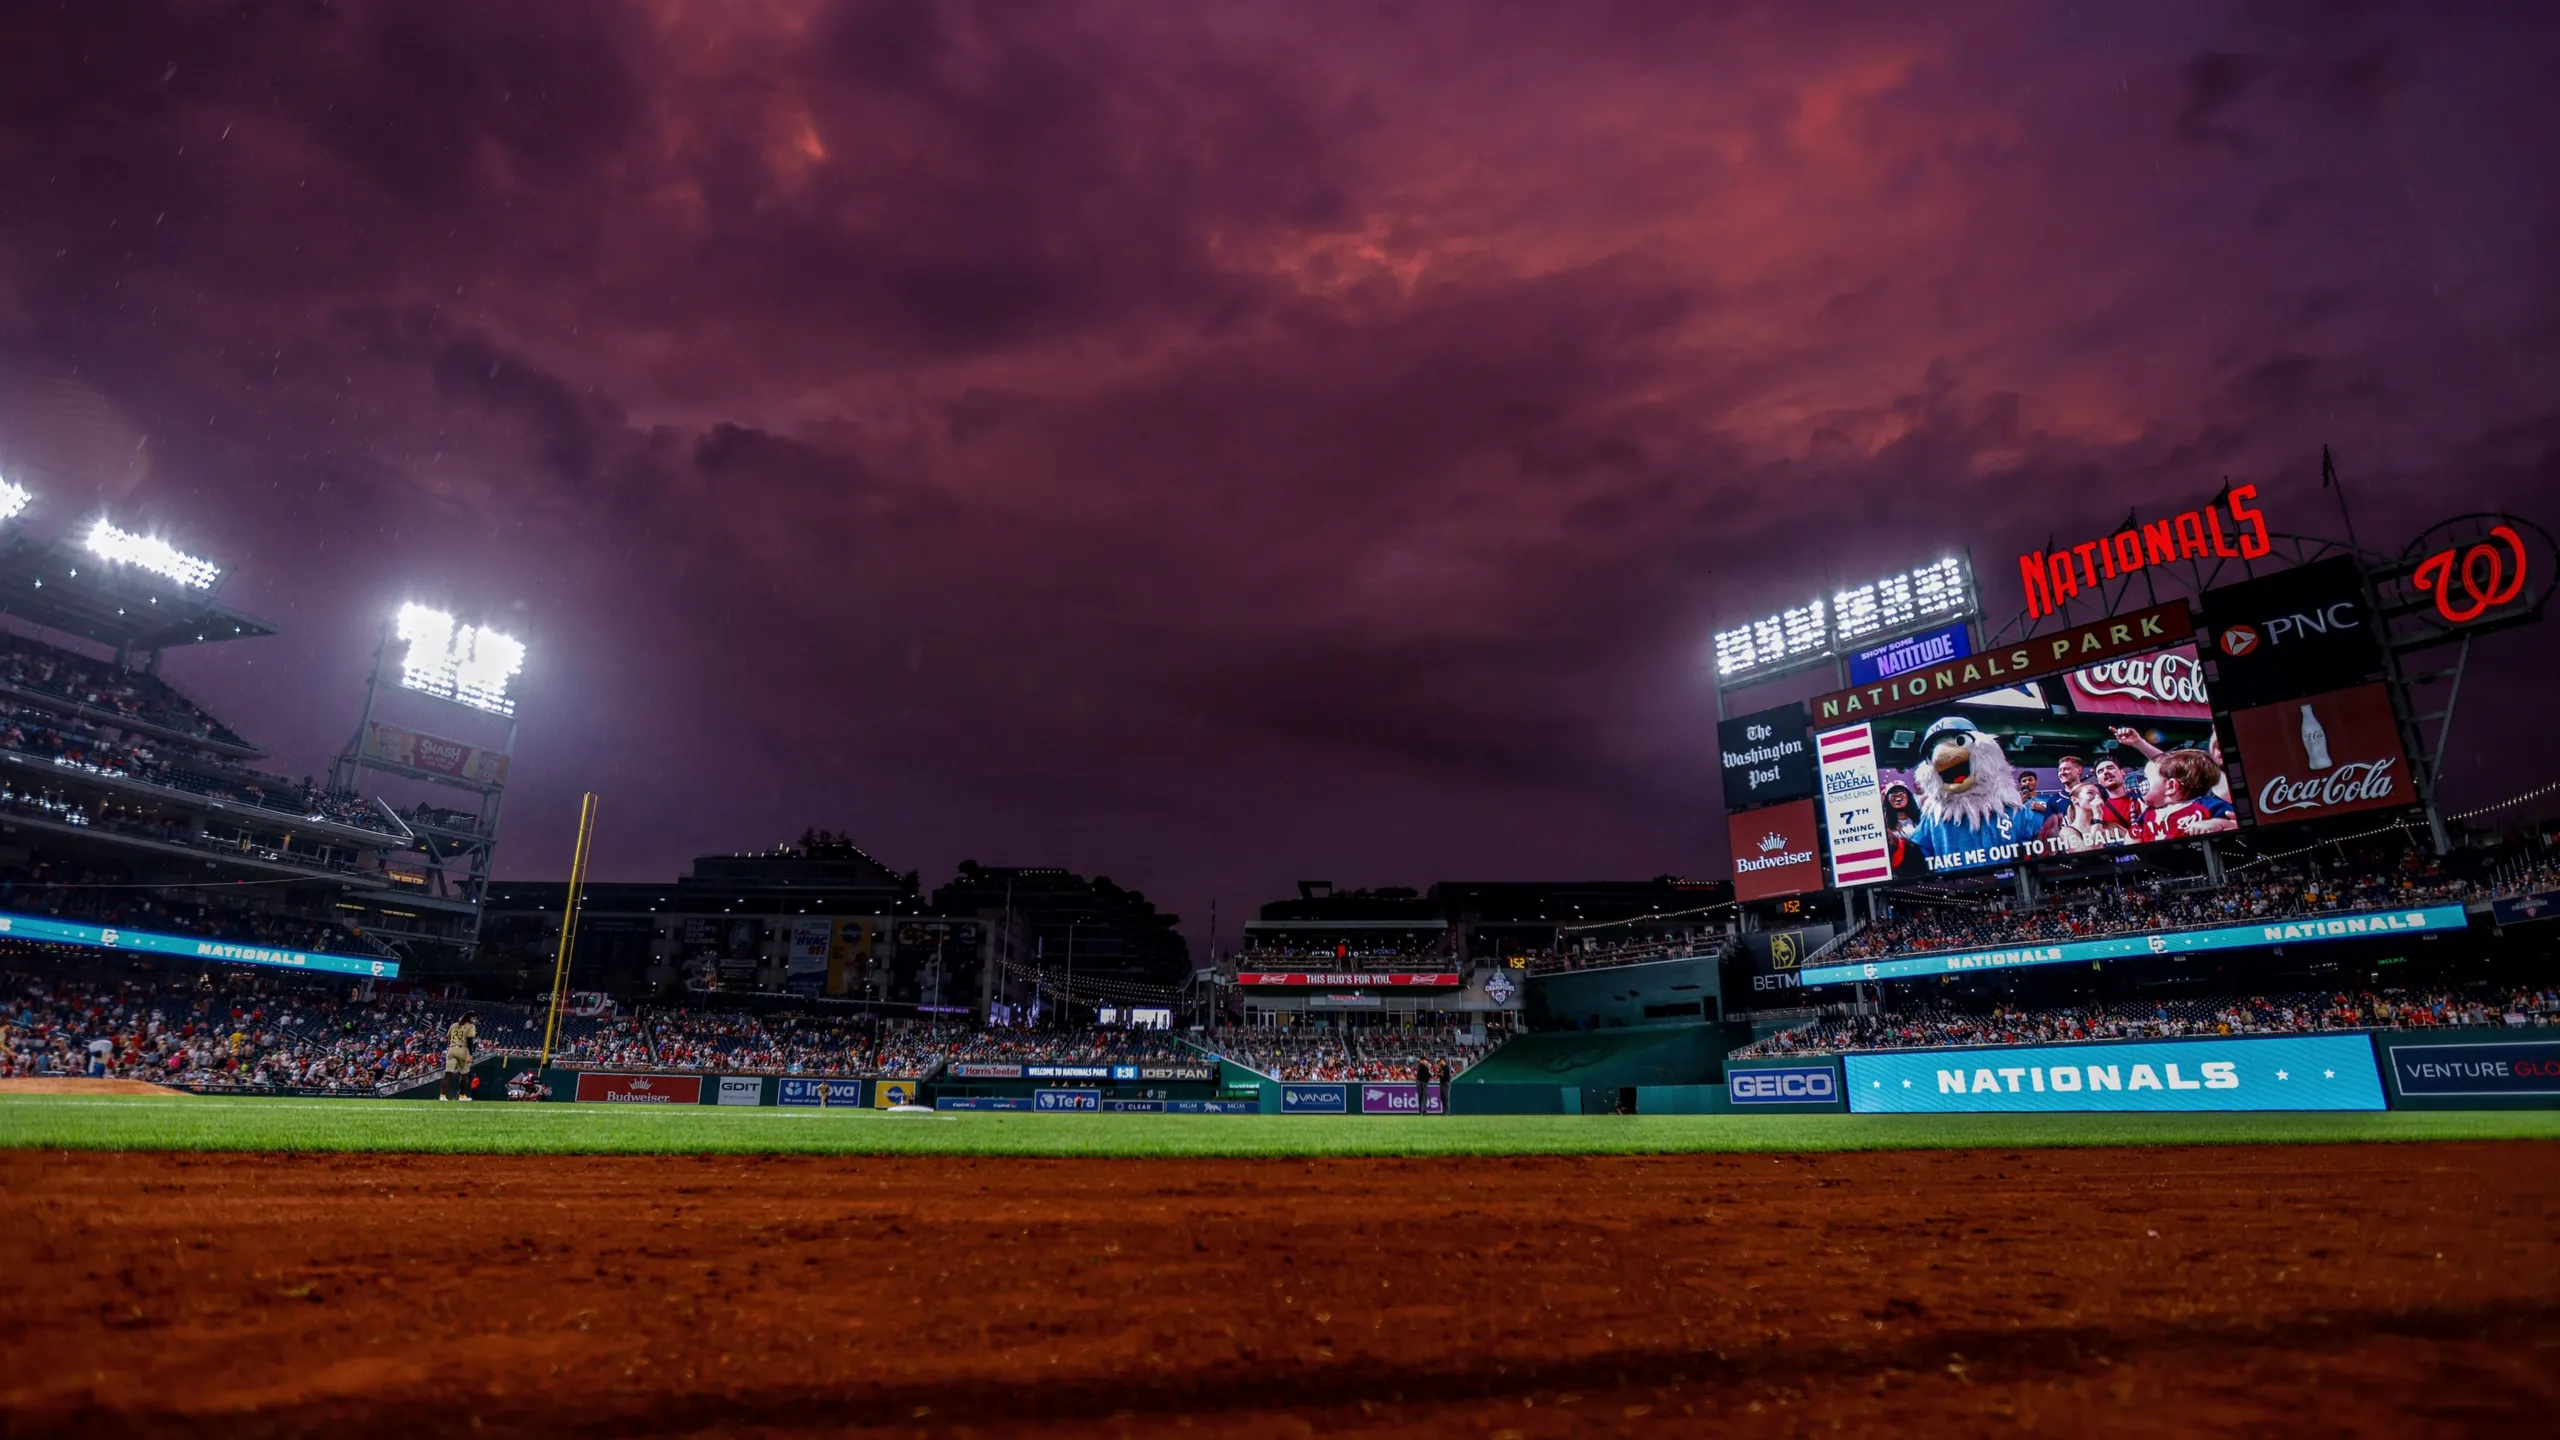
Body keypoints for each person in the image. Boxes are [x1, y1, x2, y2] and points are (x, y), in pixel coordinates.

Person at [441, 1011, 478, 1101]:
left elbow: (448, 1039)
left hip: (451, 1049)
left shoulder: (453, 1025)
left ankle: (442, 1096)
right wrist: (470, 1054)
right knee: (464, 1074)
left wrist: (453, 1045)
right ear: (469, 1018)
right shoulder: (471, 1026)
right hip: (463, 1049)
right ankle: (462, 1096)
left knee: (447, 1074)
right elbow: (470, 1041)